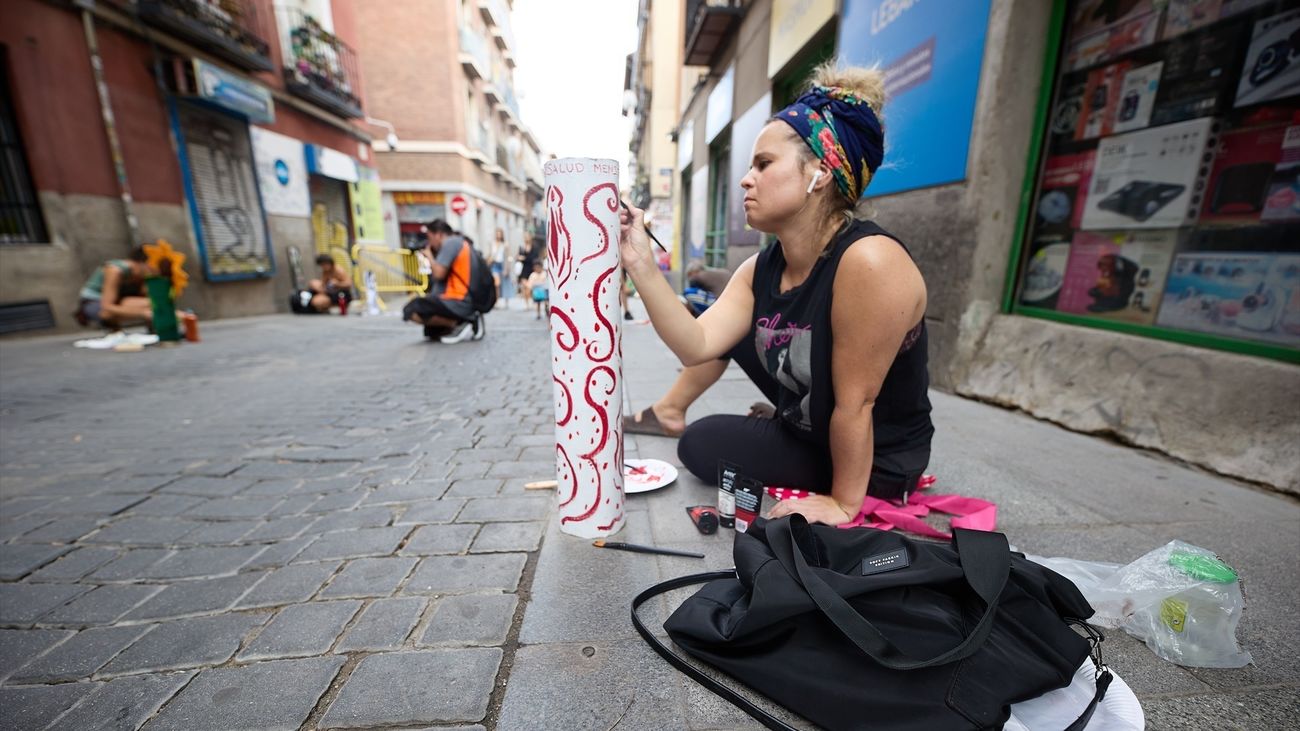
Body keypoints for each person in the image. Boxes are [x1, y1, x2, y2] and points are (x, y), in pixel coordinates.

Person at [619, 62, 934, 526]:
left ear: (819, 173)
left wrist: (843, 505)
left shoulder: (870, 261)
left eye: (764, 164)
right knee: (700, 444)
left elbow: (856, 404)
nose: (746, 179)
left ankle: (830, 466)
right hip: (817, 429)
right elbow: (696, 344)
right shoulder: (761, 267)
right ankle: (775, 417)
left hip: (877, 459)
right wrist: (641, 263)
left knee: (702, 445)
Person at [402, 219, 483, 343]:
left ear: (439, 235)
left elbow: (439, 274)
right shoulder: (459, 242)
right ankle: (460, 321)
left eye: (430, 238)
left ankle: (461, 322)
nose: (429, 243)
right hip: (462, 298)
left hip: (457, 300)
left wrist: (429, 256)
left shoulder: (450, 244)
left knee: (411, 310)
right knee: (432, 332)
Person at [75, 245, 159, 328]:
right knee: (149, 305)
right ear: (143, 263)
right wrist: (142, 313)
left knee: (154, 302)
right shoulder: (115, 270)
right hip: (95, 303)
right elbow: (107, 307)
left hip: (118, 300)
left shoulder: (139, 275)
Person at [489, 228, 512, 309]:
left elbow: (509, 257)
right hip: (494, 264)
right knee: (497, 284)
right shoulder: (492, 243)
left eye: (500, 234)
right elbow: (490, 254)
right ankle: (497, 301)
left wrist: (508, 268)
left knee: (505, 283)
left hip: (502, 264)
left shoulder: (505, 244)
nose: (498, 235)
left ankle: (506, 301)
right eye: (497, 233)